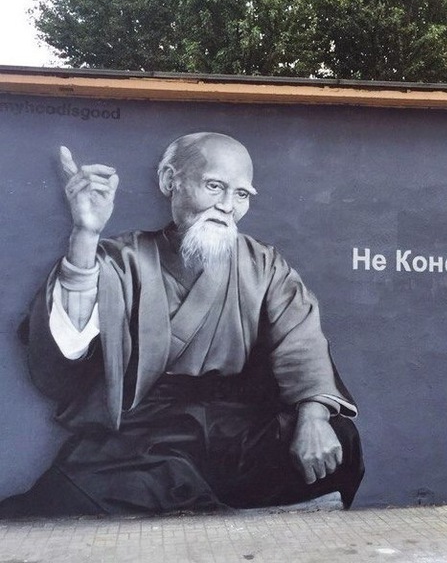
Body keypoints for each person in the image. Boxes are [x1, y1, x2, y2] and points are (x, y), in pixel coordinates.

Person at [0, 133, 363, 517]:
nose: (228, 206)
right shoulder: (122, 258)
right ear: (169, 180)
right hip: (147, 430)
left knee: (340, 440)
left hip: (235, 429)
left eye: (242, 194)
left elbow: (300, 341)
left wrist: (313, 416)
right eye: (214, 187)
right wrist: (86, 234)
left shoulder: (263, 264)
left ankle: (204, 510)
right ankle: (218, 513)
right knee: (92, 490)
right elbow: (67, 347)